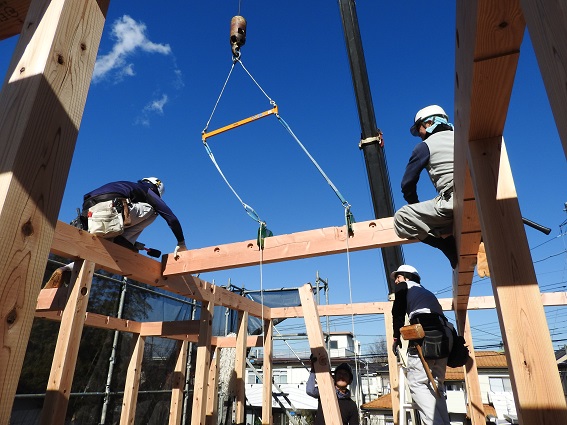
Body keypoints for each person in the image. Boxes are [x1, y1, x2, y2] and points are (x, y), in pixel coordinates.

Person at [45, 177, 187, 288]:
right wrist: (181, 243)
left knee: (99, 251)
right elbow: (171, 218)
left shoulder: (128, 187)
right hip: (110, 208)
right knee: (153, 211)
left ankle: (66, 269)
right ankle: (123, 241)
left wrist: (135, 245)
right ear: (155, 188)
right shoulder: (148, 191)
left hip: (90, 213)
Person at [393, 105, 458, 268]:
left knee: (402, 218)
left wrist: (414, 204)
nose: (420, 135)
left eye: (419, 129)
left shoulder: (425, 146)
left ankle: (447, 246)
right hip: (484, 197)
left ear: (429, 123)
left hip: (452, 202)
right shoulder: (463, 135)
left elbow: (407, 184)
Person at [390, 265, 453, 425]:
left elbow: (397, 313)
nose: (396, 281)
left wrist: (396, 338)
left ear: (406, 276)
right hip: (445, 334)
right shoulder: (426, 291)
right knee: (436, 385)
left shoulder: (405, 286)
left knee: (417, 383)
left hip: (426, 334)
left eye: (398, 277)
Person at [306, 358, 359, 425]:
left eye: (345, 374)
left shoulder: (351, 405)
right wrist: (313, 369)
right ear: (334, 377)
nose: (341, 376)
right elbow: (310, 391)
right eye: (339, 373)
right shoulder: (325, 391)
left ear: (350, 381)